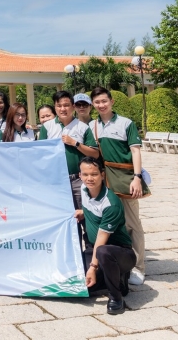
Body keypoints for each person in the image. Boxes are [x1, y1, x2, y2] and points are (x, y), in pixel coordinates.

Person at [91, 86, 149, 286]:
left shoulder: (126, 123)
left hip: (125, 178)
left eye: (104, 101)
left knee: (132, 224)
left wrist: (137, 177)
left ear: (111, 101)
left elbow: (135, 151)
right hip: (106, 178)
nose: (101, 105)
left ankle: (139, 267)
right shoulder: (93, 126)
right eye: (97, 102)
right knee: (111, 223)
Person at [77, 157, 136, 315]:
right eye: (85, 174)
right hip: (93, 249)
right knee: (77, 286)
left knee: (103, 252)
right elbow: (93, 208)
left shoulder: (111, 203)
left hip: (119, 252)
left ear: (102, 175)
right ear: (80, 175)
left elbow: (101, 241)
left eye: (94, 174)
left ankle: (116, 298)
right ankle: (115, 279)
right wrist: (83, 213)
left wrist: (92, 268)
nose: (90, 178)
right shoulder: (84, 189)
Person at [39, 91, 100, 210]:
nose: (63, 109)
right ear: (55, 107)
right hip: (55, 180)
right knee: (59, 213)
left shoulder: (83, 127)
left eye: (66, 105)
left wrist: (75, 143)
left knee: (82, 213)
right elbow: (40, 153)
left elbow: (95, 154)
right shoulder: (47, 127)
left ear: (73, 106)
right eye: (59, 105)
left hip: (77, 180)